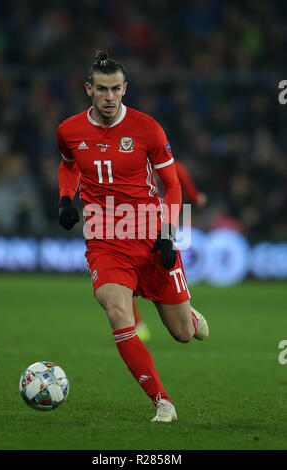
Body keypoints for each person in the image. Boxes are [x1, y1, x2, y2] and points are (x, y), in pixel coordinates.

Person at [57, 51, 209, 423]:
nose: (109, 97)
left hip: (149, 232)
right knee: (117, 311)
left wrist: (170, 233)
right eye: (101, 90)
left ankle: (186, 313)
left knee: (184, 334)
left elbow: (171, 184)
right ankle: (162, 402)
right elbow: (68, 166)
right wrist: (65, 199)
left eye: (115, 90)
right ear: (89, 90)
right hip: (105, 239)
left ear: (125, 89)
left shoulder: (148, 129)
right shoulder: (68, 130)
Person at [133, 158, 208, 342]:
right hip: (140, 228)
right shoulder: (172, 165)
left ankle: (180, 312)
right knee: (121, 283)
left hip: (159, 230)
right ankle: (135, 326)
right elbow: (195, 199)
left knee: (151, 277)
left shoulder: (130, 163)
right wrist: (198, 199)